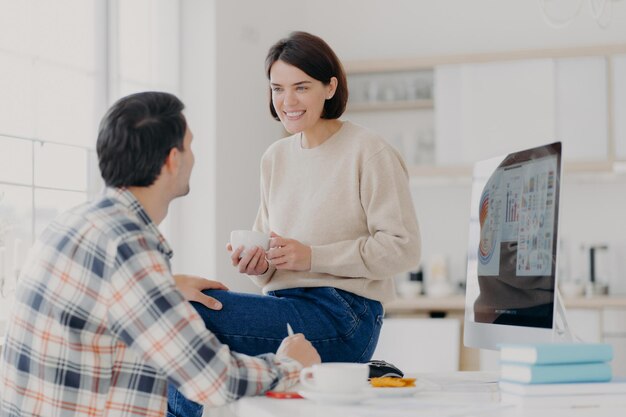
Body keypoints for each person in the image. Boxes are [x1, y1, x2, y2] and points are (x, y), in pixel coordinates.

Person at [0, 92, 320, 417]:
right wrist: (289, 364)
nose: (194, 157)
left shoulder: (74, 223)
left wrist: (163, 285)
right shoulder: (128, 247)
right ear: (172, 160)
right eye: (190, 146)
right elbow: (214, 380)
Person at [168, 31, 421, 417]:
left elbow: (403, 248)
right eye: (277, 89)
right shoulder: (275, 157)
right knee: (181, 308)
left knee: (189, 313)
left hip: (345, 314)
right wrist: (260, 265)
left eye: (301, 87)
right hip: (286, 306)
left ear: (330, 87)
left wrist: (313, 257)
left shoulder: (369, 151)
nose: (287, 101)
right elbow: (274, 261)